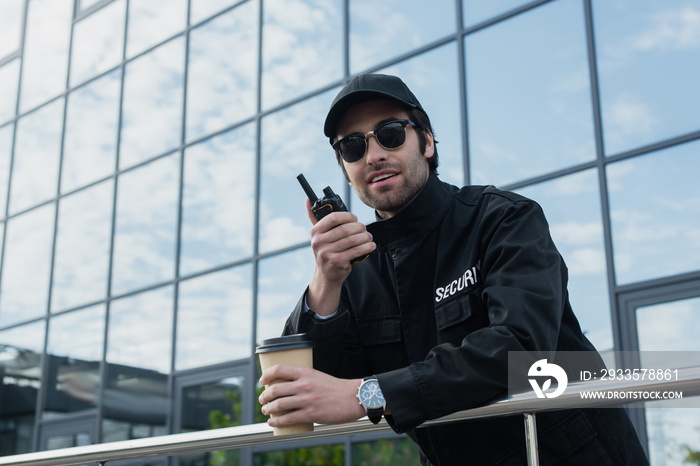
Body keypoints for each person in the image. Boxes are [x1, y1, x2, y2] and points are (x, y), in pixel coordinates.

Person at [258, 73, 648, 465]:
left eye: (390, 133)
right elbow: (304, 388)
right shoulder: (355, 271)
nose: (373, 155)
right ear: (345, 169)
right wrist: (325, 280)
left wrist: (367, 395)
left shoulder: (503, 219)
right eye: (353, 146)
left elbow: (521, 347)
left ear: (427, 141)